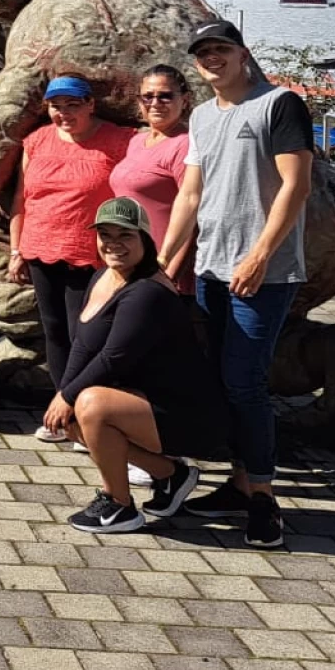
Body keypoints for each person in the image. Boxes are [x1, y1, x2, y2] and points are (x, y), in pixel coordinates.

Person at [158, 20, 314, 551]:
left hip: (263, 273)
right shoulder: (201, 116)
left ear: (243, 53)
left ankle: (265, 499)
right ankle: (241, 482)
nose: (211, 59)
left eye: (220, 49)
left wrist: (260, 255)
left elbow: (297, 184)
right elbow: (190, 194)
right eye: (203, 52)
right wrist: (164, 260)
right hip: (211, 268)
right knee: (225, 381)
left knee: (245, 380)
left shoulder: (279, 105)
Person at [47, 198, 226, 535]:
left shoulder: (147, 292)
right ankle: (170, 475)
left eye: (125, 235)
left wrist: (70, 395)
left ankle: (120, 506)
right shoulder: (104, 276)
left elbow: (114, 357)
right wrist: (62, 394)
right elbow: (83, 344)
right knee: (70, 417)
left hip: (186, 413)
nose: (113, 244)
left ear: (145, 238)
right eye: (105, 234)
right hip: (142, 400)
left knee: (90, 405)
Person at [9, 75, 134, 441]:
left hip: (91, 252)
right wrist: (17, 250)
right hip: (40, 246)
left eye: (73, 104)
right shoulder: (37, 139)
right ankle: (64, 416)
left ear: (90, 104)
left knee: (88, 336)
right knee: (55, 333)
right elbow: (21, 199)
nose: (63, 113)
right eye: (55, 105)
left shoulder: (118, 139)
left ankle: (90, 417)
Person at [110, 64, 195, 290]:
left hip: (163, 270)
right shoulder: (137, 141)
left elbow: (192, 217)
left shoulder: (185, 144)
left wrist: (168, 277)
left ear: (184, 100)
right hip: (131, 265)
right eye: (148, 96)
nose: (155, 103)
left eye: (165, 96)